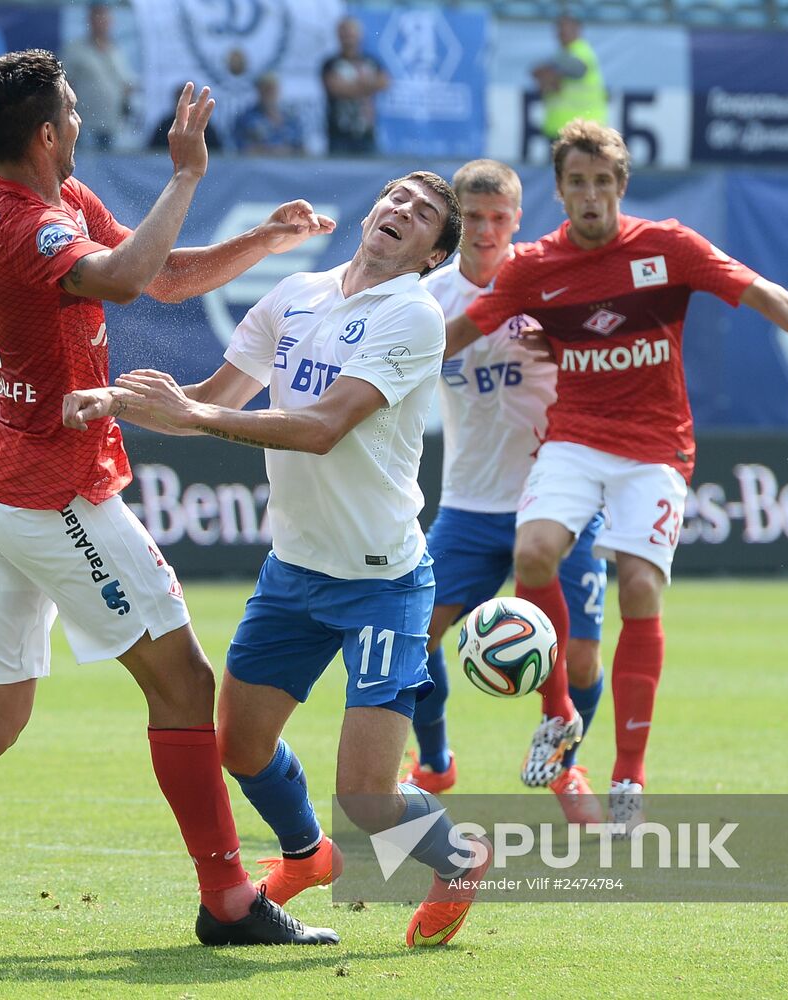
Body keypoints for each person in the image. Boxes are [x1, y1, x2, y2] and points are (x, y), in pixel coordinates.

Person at [0, 49, 340, 948]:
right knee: (185, 683)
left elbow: (160, 274)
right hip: (52, 492)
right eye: (71, 113)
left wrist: (262, 241)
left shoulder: (54, 206)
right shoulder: (26, 224)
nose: (80, 124)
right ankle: (230, 901)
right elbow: (114, 278)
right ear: (45, 133)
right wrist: (188, 173)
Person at [84, 171, 495, 948]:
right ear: (373, 211)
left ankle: (460, 855)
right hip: (296, 572)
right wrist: (110, 401)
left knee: (369, 803)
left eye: (425, 213)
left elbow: (322, 426)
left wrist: (197, 413)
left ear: (434, 253)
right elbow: (213, 396)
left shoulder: (412, 315)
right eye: (396, 196)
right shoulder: (296, 294)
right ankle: (309, 857)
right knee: (239, 744)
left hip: (381, 580)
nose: (402, 210)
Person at [445, 120, 788, 831]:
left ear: (621, 185)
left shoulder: (667, 247)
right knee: (532, 551)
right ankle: (557, 722)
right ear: (560, 191)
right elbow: (462, 329)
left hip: (655, 447)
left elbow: (762, 291)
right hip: (575, 438)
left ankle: (628, 774)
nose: (590, 196)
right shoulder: (533, 268)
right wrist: (383, 371)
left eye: (602, 182)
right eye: (576, 183)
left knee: (641, 587)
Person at [403, 159, 606, 826]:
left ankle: (567, 762)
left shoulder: (548, 286)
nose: (488, 230)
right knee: (416, 638)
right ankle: (434, 761)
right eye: (476, 217)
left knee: (578, 656)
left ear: (518, 219)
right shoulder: (429, 300)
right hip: (469, 503)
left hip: (557, 502)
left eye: (501, 217)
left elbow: (605, 358)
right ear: (458, 220)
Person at [60, 1, 133, 152]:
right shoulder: (75, 50)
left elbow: (127, 83)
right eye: (97, 16)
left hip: (114, 126)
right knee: (88, 170)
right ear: (89, 20)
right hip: (86, 125)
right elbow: (63, 85)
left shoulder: (117, 51)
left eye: (105, 16)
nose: (102, 21)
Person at [530, 15, 606, 142]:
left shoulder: (581, 52)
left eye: (566, 28)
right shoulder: (562, 54)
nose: (562, 33)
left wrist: (549, 70)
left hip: (583, 129)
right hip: (561, 127)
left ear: (578, 30)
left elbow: (577, 69)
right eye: (559, 29)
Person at [321, 16, 387, 156]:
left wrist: (352, 85)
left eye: (351, 33)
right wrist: (367, 85)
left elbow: (385, 83)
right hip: (339, 134)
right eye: (344, 33)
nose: (348, 37)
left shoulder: (371, 60)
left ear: (359, 35)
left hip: (366, 133)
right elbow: (336, 89)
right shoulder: (330, 63)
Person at [232, 72, 304, 156]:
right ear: (259, 90)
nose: (270, 93)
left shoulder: (291, 120)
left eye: (272, 88)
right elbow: (242, 149)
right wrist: (271, 151)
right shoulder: (246, 120)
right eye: (266, 89)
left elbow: (301, 149)